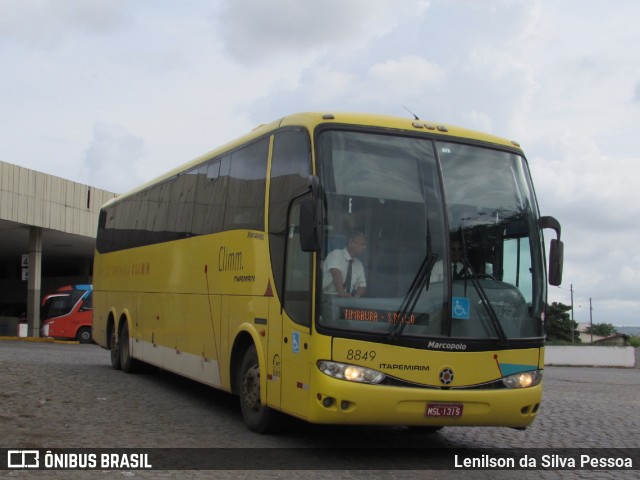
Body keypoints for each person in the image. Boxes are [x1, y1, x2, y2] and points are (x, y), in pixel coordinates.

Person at [323, 231, 367, 298]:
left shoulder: (359, 264)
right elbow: (336, 273)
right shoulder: (336, 254)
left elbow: (362, 285)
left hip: (349, 299)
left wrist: (355, 298)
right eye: (362, 244)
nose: (364, 247)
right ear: (351, 243)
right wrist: (342, 293)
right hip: (330, 297)